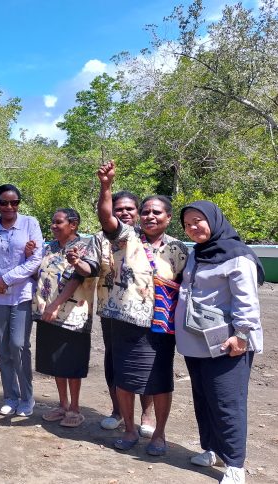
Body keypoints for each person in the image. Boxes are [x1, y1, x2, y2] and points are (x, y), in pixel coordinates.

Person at [94, 161, 188, 456]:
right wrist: (106, 186)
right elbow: (107, 220)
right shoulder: (127, 238)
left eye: (156, 212)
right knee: (124, 378)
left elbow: (185, 288)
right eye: (145, 211)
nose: (149, 216)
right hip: (124, 322)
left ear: (168, 218)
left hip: (160, 327)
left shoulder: (178, 249)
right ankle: (131, 430)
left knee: (159, 381)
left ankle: (158, 434)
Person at [176, 201, 264, 483]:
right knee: (204, 398)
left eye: (198, 221)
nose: (192, 228)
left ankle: (235, 463)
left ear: (214, 220)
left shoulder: (237, 255)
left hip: (228, 342)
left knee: (228, 401)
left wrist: (241, 335)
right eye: (187, 224)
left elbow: (247, 301)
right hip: (197, 342)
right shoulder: (197, 253)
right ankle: (211, 449)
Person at [82, 190, 156, 435]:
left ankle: (146, 415)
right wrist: (77, 264)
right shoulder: (100, 238)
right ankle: (118, 412)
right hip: (111, 311)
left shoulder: (150, 237)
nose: (124, 213)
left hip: (146, 312)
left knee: (145, 363)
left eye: (129, 209)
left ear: (137, 212)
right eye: (118, 209)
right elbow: (91, 267)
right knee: (114, 361)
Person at [0, 184, 43, 417]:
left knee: (19, 345)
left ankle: (27, 398)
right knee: (2, 348)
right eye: (4, 202)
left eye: (14, 202)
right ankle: (10, 397)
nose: (9, 207)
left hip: (20, 294)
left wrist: (8, 279)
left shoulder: (30, 224)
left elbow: (36, 259)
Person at [32, 210, 97, 428]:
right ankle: (62, 405)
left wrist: (56, 304)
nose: (53, 225)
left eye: (58, 222)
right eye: (52, 221)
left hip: (73, 315)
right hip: (47, 313)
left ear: (73, 224)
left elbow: (78, 277)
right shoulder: (49, 248)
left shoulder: (85, 246)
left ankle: (75, 408)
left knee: (71, 362)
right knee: (55, 361)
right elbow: (39, 275)